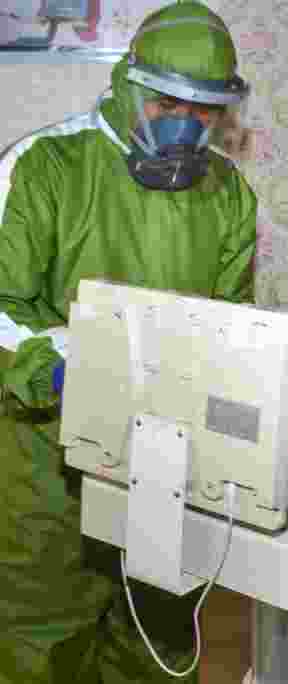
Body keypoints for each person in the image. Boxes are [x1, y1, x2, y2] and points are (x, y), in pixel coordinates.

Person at [0, 2, 256, 682]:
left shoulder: (228, 193)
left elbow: (232, 319)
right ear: (129, 84)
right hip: (50, 450)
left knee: (159, 631)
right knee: (42, 635)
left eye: (204, 112)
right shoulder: (47, 167)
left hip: (169, 453)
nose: (185, 125)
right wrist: (54, 365)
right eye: (169, 103)